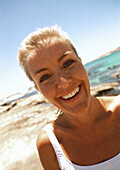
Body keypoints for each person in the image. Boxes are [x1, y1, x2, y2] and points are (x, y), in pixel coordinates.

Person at [18, 25, 120, 170]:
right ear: (38, 90)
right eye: (45, 77)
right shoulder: (49, 144)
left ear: (81, 61)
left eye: (68, 63)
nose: (63, 83)